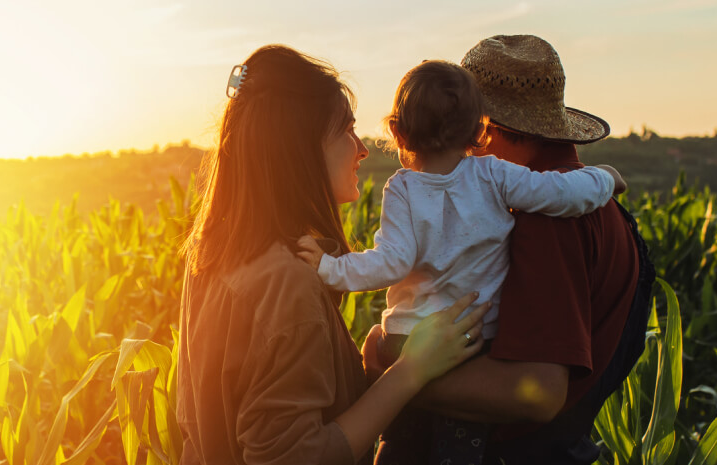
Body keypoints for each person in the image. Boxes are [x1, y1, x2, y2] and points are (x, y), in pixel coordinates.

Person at [290, 58, 626, 463]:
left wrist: (330, 270)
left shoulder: (402, 188)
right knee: (460, 439)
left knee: (401, 437)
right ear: (478, 132)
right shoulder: (496, 176)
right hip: (473, 339)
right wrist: (606, 177)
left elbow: (390, 262)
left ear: (396, 131)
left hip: (406, 341)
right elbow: (562, 193)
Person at [176, 44, 493, 465]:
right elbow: (294, 457)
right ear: (300, 149)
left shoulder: (213, 255)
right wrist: (411, 370)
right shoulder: (287, 283)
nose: (361, 149)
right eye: (346, 130)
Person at [362, 35, 656, 464]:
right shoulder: (596, 203)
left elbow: (538, 392)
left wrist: (390, 371)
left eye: (452, 136)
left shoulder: (545, 222)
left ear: (483, 130)